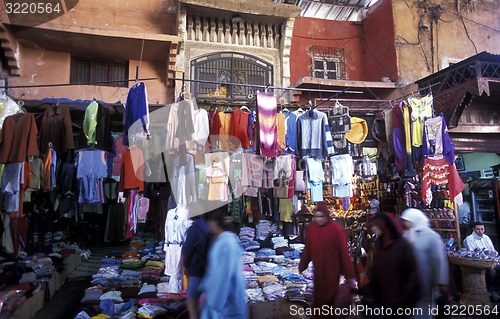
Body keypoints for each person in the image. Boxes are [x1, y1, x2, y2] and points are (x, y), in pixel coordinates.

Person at [298, 204, 356, 317]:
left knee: (329, 300)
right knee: (318, 299)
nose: (319, 219)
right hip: (318, 271)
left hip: (332, 272)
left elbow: (344, 254)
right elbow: (308, 249)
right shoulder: (312, 228)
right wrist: (302, 265)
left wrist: (350, 277)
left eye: (321, 216)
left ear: (326, 216)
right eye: (316, 217)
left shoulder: (336, 230)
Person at [199, 206, 248, 319]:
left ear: (214, 223)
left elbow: (223, 275)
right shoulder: (224, 240)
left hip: (226, 300)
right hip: (224, 297)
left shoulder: (226, 243)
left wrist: (215, 302)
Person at [370, 212, 421, 317]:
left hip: (400, 302)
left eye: (376, 225)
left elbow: (413, 273)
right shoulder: (379, 244)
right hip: (384, 300)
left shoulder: (402, 245)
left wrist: (405, 299)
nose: (373, 228)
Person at [401, 208, 449, 319]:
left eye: (407, 220)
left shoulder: (431, 236)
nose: (404, 223)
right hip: (409, 282)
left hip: (426, 281)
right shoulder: (405, 235)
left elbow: (438, 260)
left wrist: (440, 281)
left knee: (423, 310)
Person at [182, 214, 211, 319]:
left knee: (191, 301)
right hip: (207, 269)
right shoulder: (206, 226)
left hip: (197, 269)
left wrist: (186, 265)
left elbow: (187, 250)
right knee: (203, 301)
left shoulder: (194, 228)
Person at [463, 221, 500, 298]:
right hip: (477, 263)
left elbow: (493, 251)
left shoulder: (486, 238)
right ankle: (488, 290)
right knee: (491, 272)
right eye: (478, 229)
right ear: (473, 229)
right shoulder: (469, 239)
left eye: (482, 229)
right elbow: (473, 255)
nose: (480, 231)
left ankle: (496, 290)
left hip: (489, 261)